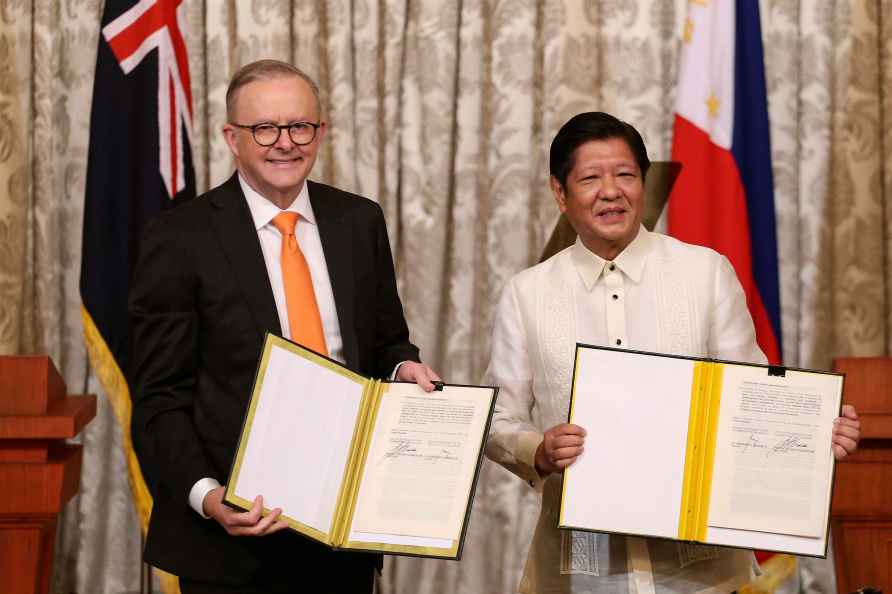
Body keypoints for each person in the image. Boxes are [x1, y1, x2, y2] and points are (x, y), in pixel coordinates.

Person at [484, 111, 861, 594]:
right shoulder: (527, 293)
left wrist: (816, 430)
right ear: (560, 193)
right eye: (590, 178)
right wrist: (538, 450)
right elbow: (498, 420)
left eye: (625, 175)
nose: (611, 191)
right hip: (583, 568)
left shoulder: (704, 273)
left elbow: (754, 395)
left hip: (705, 570)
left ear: (643, 182)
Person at [128, 59, 440, 594]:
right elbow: (160, 397)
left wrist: (402, 367)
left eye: (300, 126)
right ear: (232, 137)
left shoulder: (359, 221)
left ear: (321, 131)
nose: (284, 143)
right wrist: (209, 496)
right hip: (231, 542)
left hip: (342, 533)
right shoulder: (180, 238)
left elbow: (387, 341)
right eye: (264, 128)